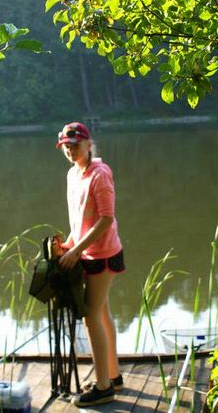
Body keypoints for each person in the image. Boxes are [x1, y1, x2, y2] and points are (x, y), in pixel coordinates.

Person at [56, 122, 125, 407]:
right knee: (102, 313)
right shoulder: (73, 174)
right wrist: (69, 244)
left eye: (75, 145)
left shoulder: (100, 173)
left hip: (103, 255)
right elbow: (80, 218)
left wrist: (77, 251)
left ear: (88, 144)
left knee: (90, 315)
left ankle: (103, 387)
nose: (70, 150)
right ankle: (113, 375)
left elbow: (106, 218)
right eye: (66, 146)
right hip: (87, 253)